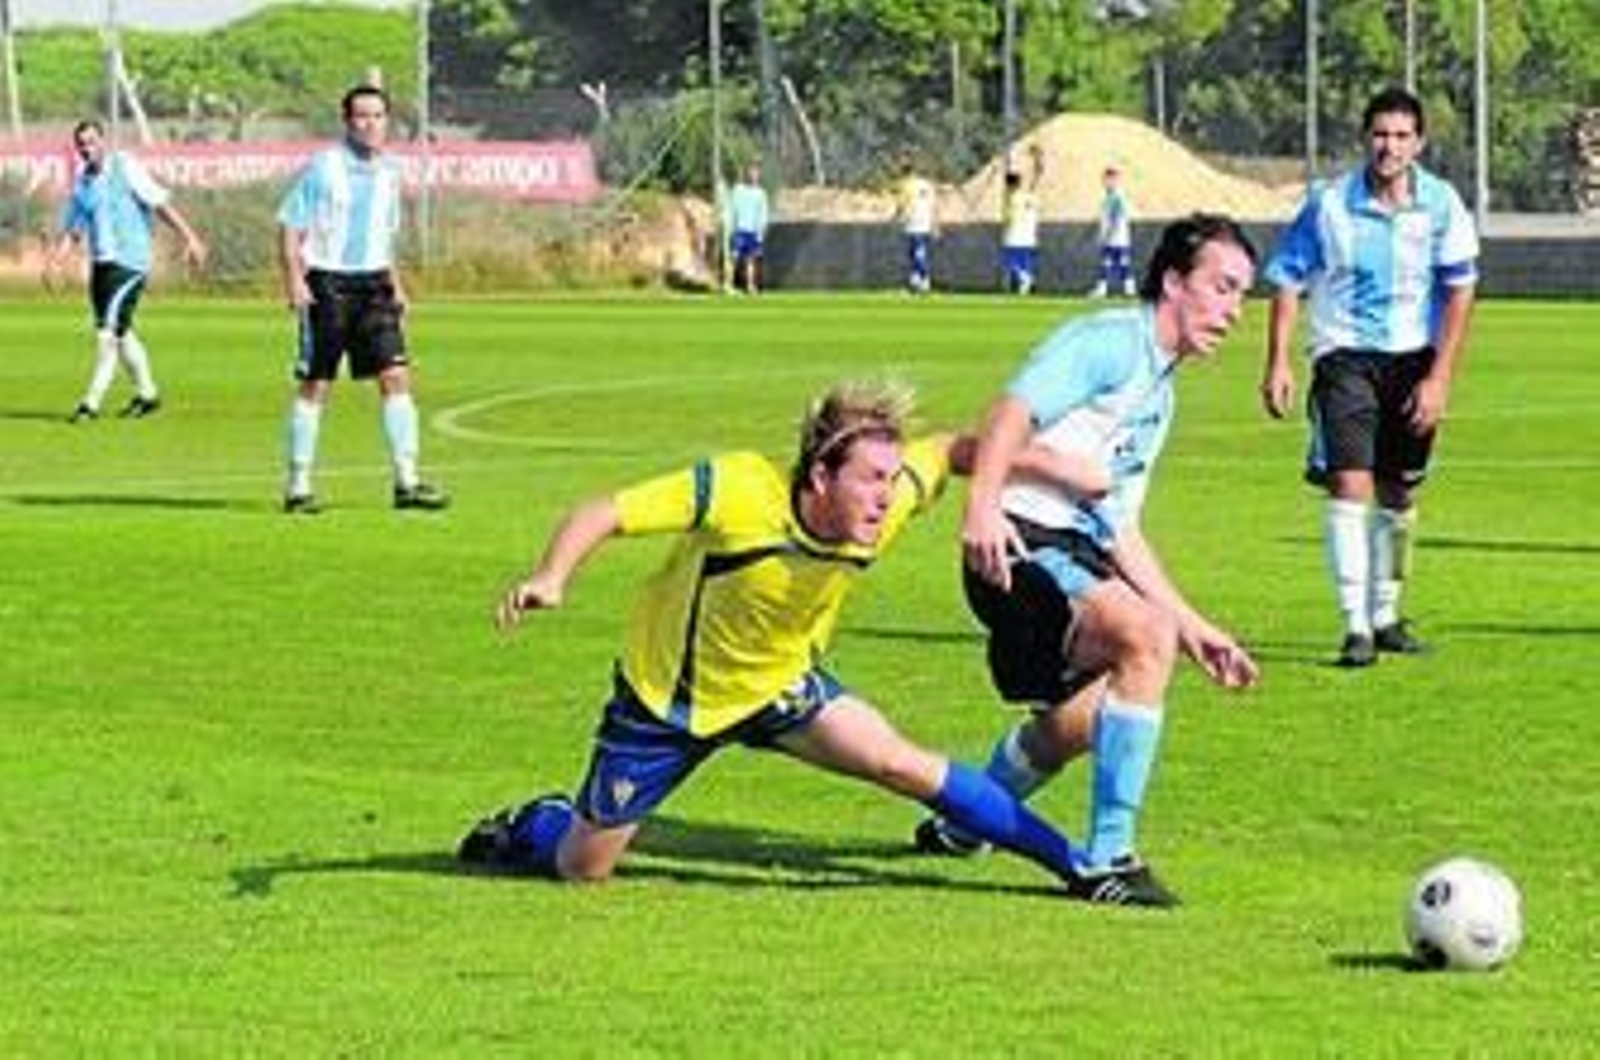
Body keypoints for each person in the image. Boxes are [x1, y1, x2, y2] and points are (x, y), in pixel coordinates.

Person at [457, 380, 1142, 904]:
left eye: (889, 478)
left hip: (779, 683)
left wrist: (1041, 466)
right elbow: (604, 511)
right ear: (819, 477)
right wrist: (552, 576)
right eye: (869, 479)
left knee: (901, 763)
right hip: (669, 697)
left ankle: (1078, 867)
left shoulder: (891, 496)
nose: (885, 496)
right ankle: (541, 820)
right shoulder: (739, 490)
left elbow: (956, 450)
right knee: (584, 869)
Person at [915, 215, 1263, 908]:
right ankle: (1109, 857)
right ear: (1173, 282)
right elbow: (1009, 414)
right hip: (1018, 541)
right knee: (1143, 640)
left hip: (1067, 548)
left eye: (1242, 296)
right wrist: (981, 507)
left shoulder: (1158, 396)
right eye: (1222, 288)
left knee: (1100, 703)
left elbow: (1119, 526)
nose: (1233, 311)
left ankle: (967, 819)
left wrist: (1194, 625)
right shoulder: (1110, 342)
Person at [1260, 87, 1479, 668]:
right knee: (1349, 484)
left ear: (1420, 143)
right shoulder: (1328, 203)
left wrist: (1440, 378)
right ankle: (1355, 626)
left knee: (1400, 490)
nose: (1390, 146)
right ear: (1365, 139)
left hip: (1413, 362)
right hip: (1344, 358)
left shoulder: (1441, 205)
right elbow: (1287, 279)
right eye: (1381, 134)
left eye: (1402, 136)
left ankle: (1386, 615)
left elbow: (1460, 291)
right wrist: (1278, 360)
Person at [276, 83, 447, 514]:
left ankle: (406, 482)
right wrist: (295, 281)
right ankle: (298, 486)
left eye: (377, 116)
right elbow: (290, 227)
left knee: (396, 376)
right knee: (317, 382)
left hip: (375, 286)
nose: (370, 124)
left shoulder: (391, 171)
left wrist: (397, 286)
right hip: (328, 284)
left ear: (387, 122)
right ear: (347, 121)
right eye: (361, 116)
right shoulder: (324, 167)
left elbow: (383, 237)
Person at [45, 119, 207, 423]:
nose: (85, 148)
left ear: (103, 141)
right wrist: (57, 260)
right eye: (81, 143)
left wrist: (191, 237)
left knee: (107, 335)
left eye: (91, 141)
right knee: (122, 333)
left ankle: (89, 404)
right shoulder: (83, 183)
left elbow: (160, 203)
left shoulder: (125, 167)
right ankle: (148, 395)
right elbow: (74, 228)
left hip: (130, 263)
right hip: (101, 265)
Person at [1000, 144, 1043, 295]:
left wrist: (1011, 156)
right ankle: (1025, 286)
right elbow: (1038, 176)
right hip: (1030, 237)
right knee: (1026, 264)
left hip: (1015, 236)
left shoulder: (1012, 198)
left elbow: (1009, 217)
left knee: (1009, 262)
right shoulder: (1030, 194)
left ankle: (1025, 279)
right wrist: (1038, 159)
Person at [1090, 164, 1136, 298]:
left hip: (1118, 238)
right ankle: (1103, 289)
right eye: (1104, 179)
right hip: (1112, 238)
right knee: (1107, 263)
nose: (1105, 182)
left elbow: (1117, 216)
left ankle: (1129, 289)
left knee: (1123, 263)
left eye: (1108, 179)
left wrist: (1108, 234)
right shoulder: (1107, 197)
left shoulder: (1118, 196)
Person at [894, 161, 937, 294]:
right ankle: (915, 281)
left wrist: (896, 216)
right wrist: (935, 223)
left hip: (913, 222)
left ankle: (924, 280)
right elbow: (933, 205)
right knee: (917, 251)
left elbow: (902, 204)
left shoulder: (906, 185)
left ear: (905, 172)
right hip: (925, 221)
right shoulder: (927, 184)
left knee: (916, 252)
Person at [727, 161, 770, 294]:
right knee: (734, 257)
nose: (753, 175)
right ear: (746, 174)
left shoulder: (761, 193)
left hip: (753, 232)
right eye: (751, 172)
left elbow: (763, 214)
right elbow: (730, 209)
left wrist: (760, 233)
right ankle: (728, 285)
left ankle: (750, 286)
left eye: (756, 173)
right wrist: (730, 228)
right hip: (739, 230)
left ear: (759, 175)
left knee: (751, 260)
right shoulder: (737, 189)